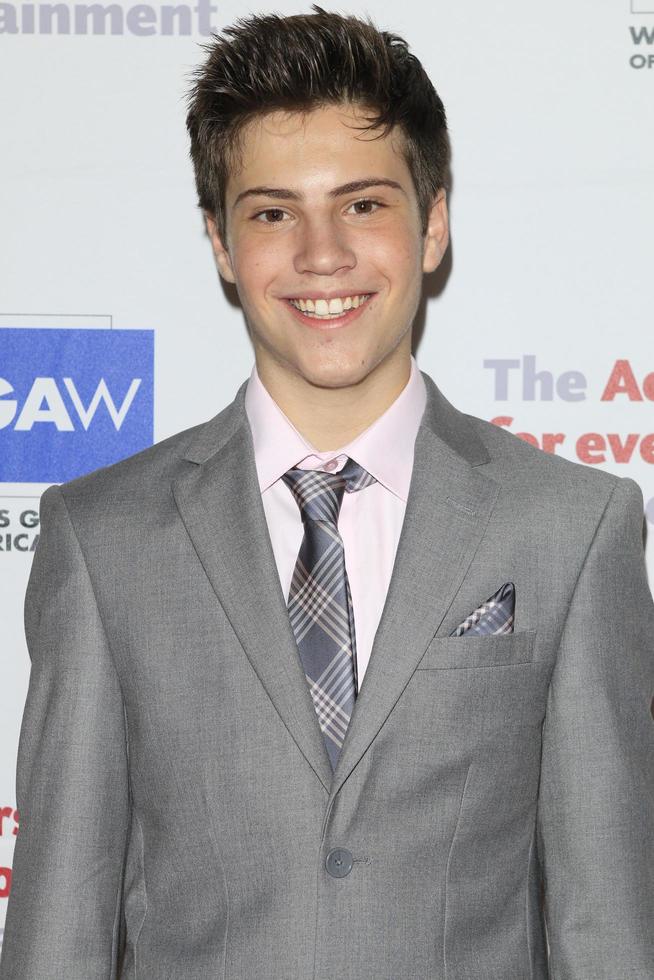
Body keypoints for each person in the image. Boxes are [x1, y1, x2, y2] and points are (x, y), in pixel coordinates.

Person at [1, 6, 653, 978]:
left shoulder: (570, 527)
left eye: (362, 204)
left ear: (432, 223)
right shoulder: (104, 539)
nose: (321, 254)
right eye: (271, 212)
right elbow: (58, 932)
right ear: (222, 244)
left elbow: (608, 932)